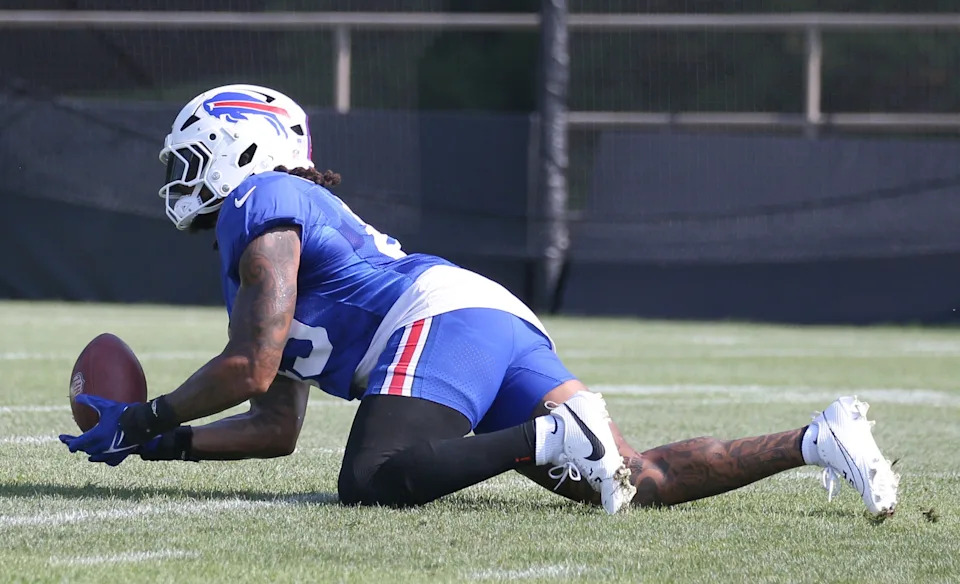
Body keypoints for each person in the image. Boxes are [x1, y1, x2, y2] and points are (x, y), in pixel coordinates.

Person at [60, 84, 899, 516]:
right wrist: (167, 449)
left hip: (438, 319)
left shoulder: (258, 203)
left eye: (188, 156)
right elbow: (276, 425)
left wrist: (148, 416)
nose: (178, 178)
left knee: (375, 480)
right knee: (635, 479)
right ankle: (818, 440)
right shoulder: (268, 237)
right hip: (476, 317)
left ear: (237, 146)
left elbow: (250, 366)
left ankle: (553, 432)